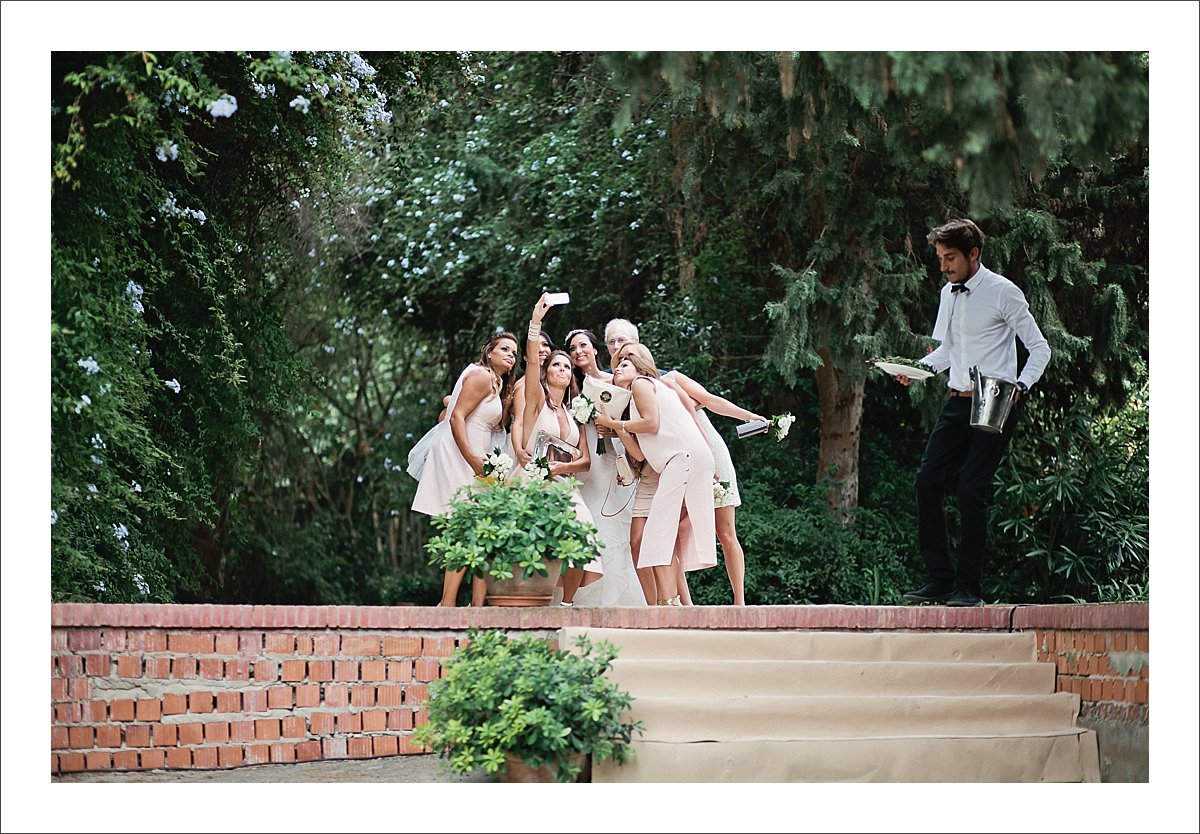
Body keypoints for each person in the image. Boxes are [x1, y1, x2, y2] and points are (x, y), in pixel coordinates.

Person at [897, 218, 1051, 607]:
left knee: (970, 489)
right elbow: (947, 351)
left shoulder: (1004, 292)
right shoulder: (949, 293)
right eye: (940, 259)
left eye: (950, 258)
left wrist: (1022, 386)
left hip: (996, 399)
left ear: (973, 255)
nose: (944, 266)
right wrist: (916, 370)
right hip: (958, 398)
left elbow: (1040, 348)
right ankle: (940, 580)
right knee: (927, 481)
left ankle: (969, 589)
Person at [595, 343, 717, 605]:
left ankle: (668, 605)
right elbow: (639, 456)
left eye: (625, 364)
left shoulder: (641, 383)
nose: (618, 369)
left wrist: (613, 424)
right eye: (615, 367)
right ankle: (668, 603)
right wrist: (618, 429)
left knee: (657, 536)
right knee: (658, 536)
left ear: (639, 367)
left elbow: (652, 424)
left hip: (681, 458)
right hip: (680, 460)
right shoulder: (641, 393)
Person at [412, 331, 520, 606]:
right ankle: (447, 606)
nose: (511, 355)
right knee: (465, 529)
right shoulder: (482, 376)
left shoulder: (495, 384)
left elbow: (451, 411)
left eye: (514, 352)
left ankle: (476, 606)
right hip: (463, 458)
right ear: (489, 352)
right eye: (504, 349)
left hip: (478, 459)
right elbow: (456, 417)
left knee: (480, 531)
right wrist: (472, 458)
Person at [520, 295, 600, 606]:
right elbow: (530, 362)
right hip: (532, 483)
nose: (563, 369)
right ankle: (532, 602)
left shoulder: (573, 412)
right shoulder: (536, 399)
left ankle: (566, 604)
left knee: (584, 533)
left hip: (564, 485)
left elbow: (585, 461)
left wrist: (560, 469)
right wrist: (535, 322)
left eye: (567, 366)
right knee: (535, 543)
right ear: (547, 370)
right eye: (556, 364)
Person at [563, 327, 646, 607]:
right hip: (587, 463)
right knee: (592, 526)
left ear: (596, 349)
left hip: (616, 457)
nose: (578, 352)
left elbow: (634, 419)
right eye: (573, 348)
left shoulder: (617, 380)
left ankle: (621, 602)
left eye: (583, 345)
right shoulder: (570, 388)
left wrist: (611, 429)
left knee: (620, 530)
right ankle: (584, 600)